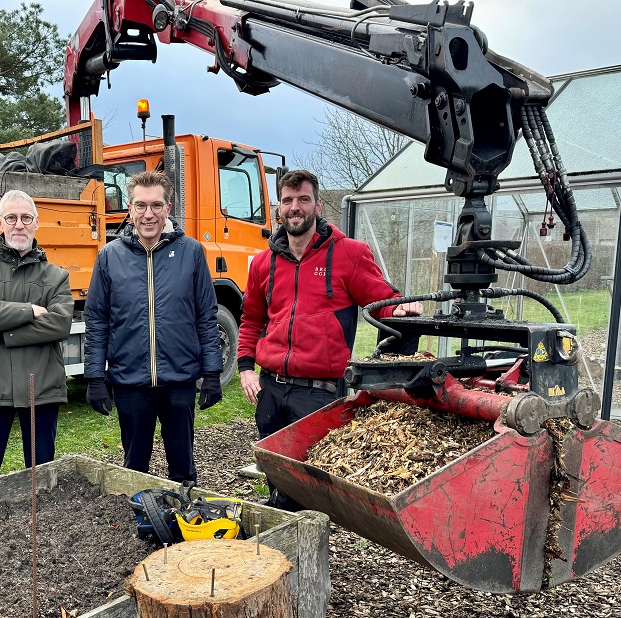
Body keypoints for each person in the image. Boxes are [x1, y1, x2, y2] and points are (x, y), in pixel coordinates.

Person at [238, 169, 423, 510]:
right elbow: (251, 319)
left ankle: (298, 544)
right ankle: (282, 536)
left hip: (317, 392)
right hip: (271, 388)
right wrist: (246, 368)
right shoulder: (264, 263)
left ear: (318, 206)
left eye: (303, 199)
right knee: (275, 473)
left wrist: (399, 308)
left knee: (307, 485)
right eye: (288, 200)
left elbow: (380, 300)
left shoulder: (348, 254)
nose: (295, 207)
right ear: (279, 208)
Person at [83, 170, 223, 484]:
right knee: (135, 467)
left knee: (183, 466)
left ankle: (186, 520)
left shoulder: (191, 252)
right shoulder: (109, 257)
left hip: (179, 379)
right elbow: (97, 320)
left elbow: (206, 315)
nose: (149, 214)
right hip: (131, 381)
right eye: (141, 206)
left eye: (156, 206)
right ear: (129, 210)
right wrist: (94, 376)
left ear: (168, 208)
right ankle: (145, 521)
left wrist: (212, 372)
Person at [0, 189, 73, 482]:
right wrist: (31, 310)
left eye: (25, 217)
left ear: (36, 223)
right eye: (11, 217)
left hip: (41, 391)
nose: (18, 224)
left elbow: (60, 325)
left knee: (40, 480)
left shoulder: (56, 275)